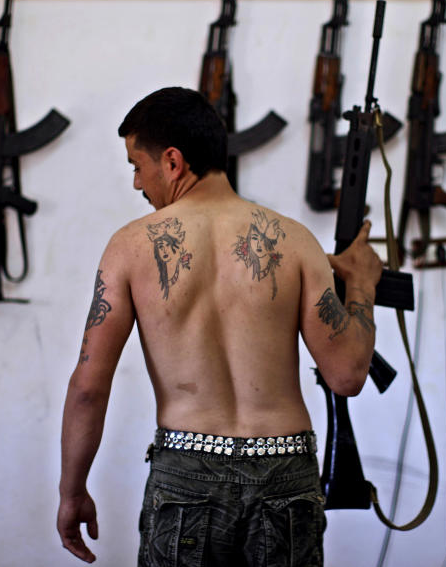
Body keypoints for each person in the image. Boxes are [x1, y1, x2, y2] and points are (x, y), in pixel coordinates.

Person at [57, 86, 382, 566]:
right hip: (285, 474)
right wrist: (362, 284)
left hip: (186, 478)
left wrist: (71, 491)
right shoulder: (294, 241)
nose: (136, 183)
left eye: (136, 165)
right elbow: (348, 374)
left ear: (172, 162)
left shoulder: (130, 247)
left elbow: (88, 388)